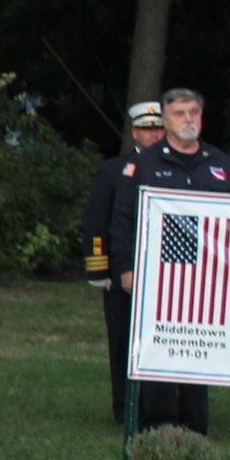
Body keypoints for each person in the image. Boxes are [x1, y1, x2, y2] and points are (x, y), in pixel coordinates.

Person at [110, 86, 230, 434]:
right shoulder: (144, 163)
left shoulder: (220, 165)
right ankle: (160, 428)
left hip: (206, 278)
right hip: (157, 274)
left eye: (194, 112)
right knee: (160, 352)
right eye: (180, 113)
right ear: (165, 121)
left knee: (198, 350)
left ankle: (195, 427)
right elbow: (123, 218)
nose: (188, 120)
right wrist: (124, 267)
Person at [80, 100, 167, 422]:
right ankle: (124, 407)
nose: (154, 134)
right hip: (121, 272)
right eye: (147, 129)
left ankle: (159, 407)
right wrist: (100, 269)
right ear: (135, 133)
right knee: (122, 341)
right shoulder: (114, 170)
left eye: (158, 128)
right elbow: (96, 221)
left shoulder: (172, 169)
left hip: (163, 270)